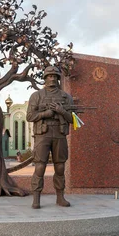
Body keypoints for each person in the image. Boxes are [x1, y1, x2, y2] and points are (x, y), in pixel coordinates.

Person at [26, 65, 74, 209]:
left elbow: (73, 119)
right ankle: (36, 198)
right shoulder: (37, 96)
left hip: (59, 134)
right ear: (45, 78)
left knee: (60, 167)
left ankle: (60, 197)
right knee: (39, 167)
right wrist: (44, 114)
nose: (52, 78)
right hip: (43, 135)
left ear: (58, 78)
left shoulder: (66, 97)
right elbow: (29, 116)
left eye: (55, 76)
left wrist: (61, 111)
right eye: (49, 76)